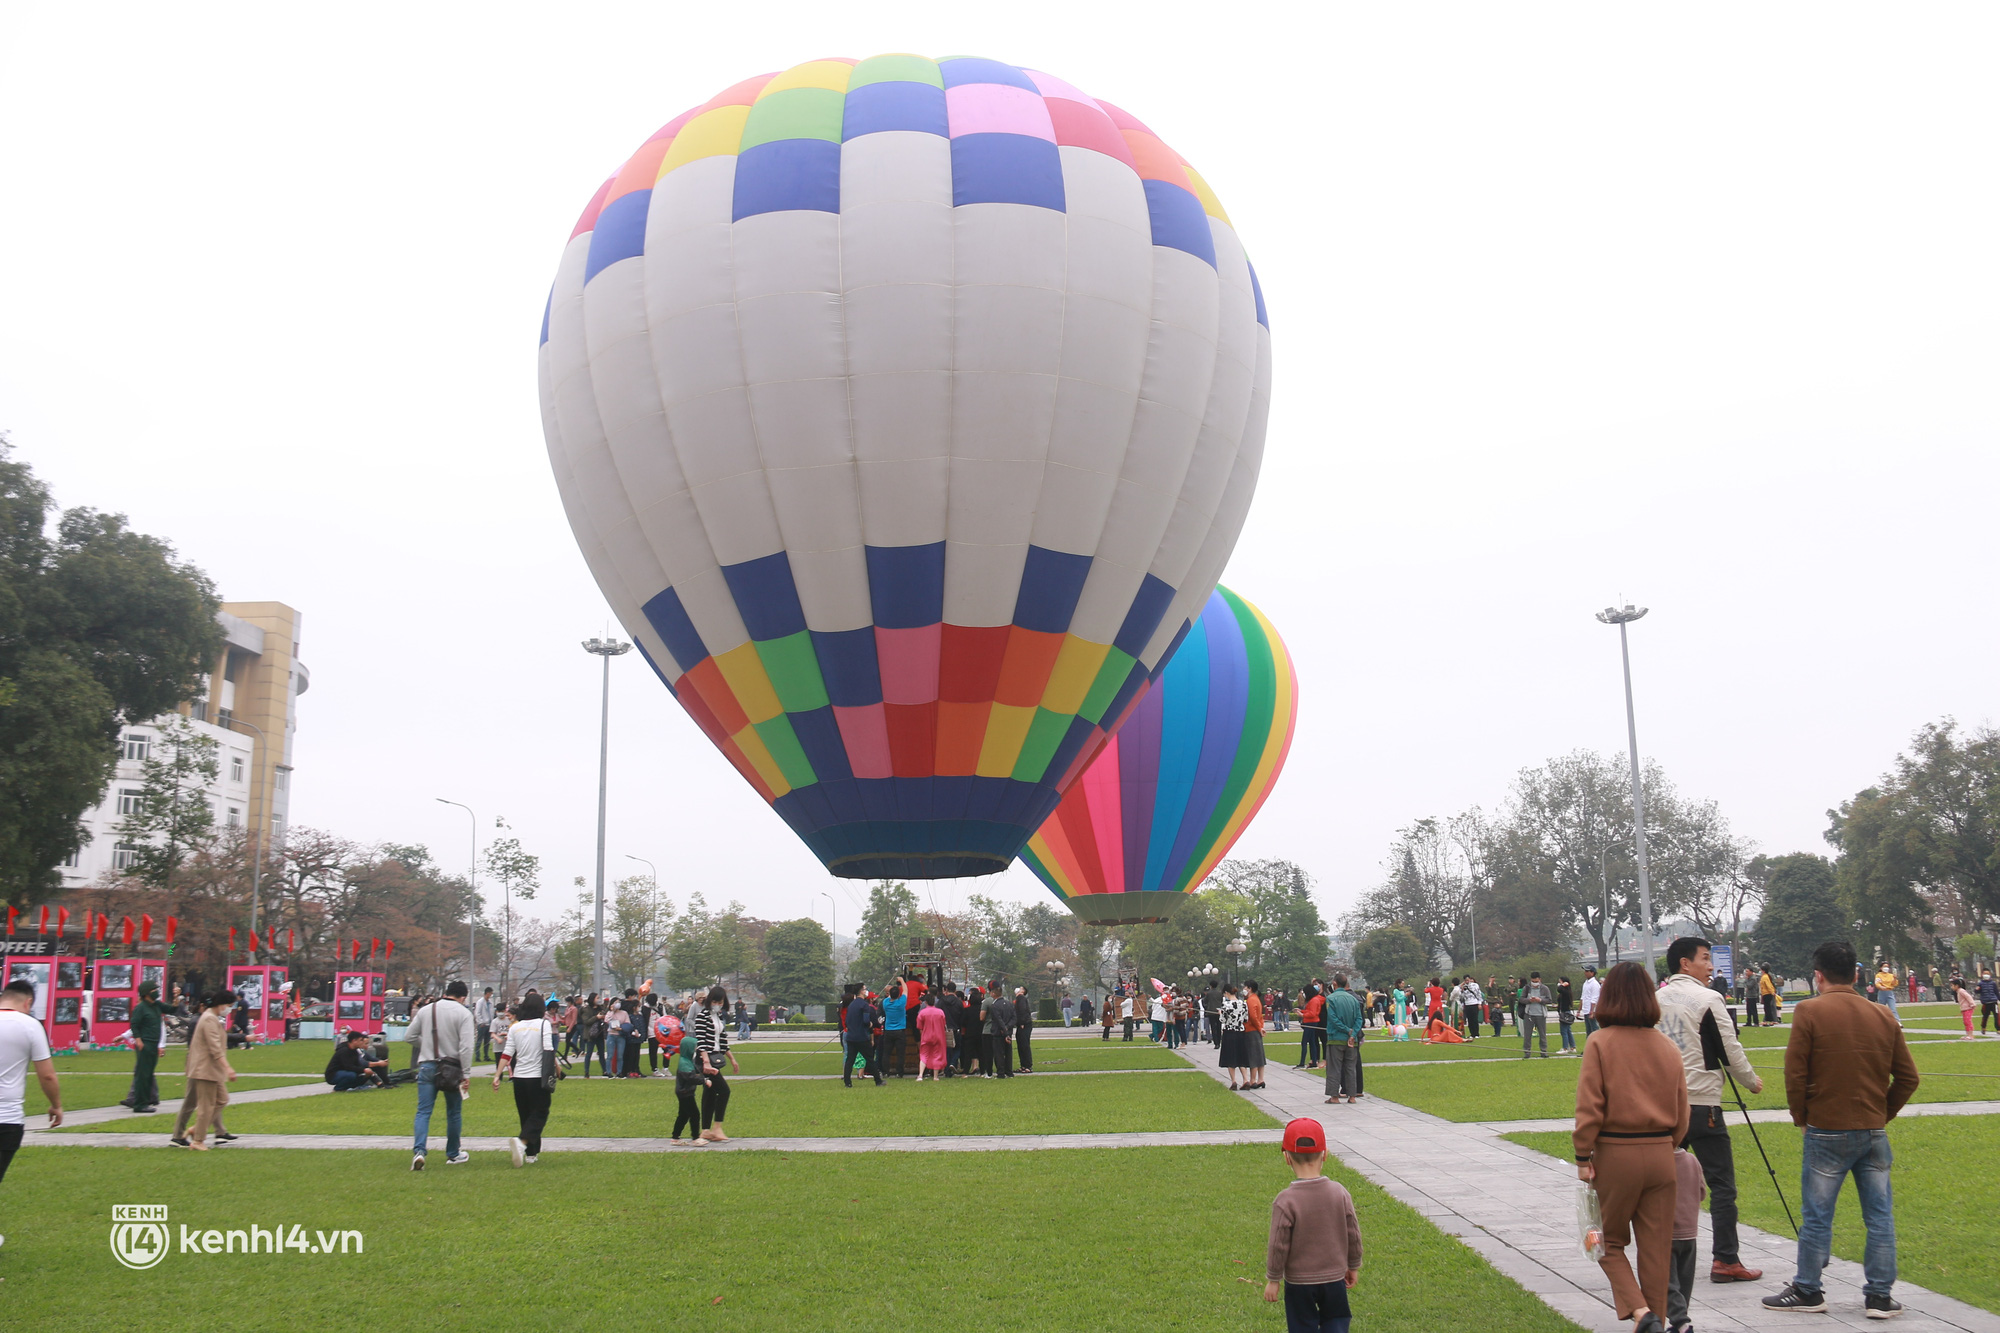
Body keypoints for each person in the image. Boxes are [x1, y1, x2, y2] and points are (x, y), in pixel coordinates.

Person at [1762, 940, 1920, 1318]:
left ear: (1818, 976)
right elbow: (1909, 1077)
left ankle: (1808, 1288)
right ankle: (1879, 1295)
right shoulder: (1882, 1015)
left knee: (1818, 1214)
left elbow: (1795, 1072)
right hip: (1873, 1130)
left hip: (1826, 1128)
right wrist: (1883, 1112)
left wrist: (1801, 1116)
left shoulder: (1810, 1011)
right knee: (1879, 1215)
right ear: (1857, 975)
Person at [1574, 961, 1689, 1333]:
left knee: (1607, 1241)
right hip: (1661, 1153)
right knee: (1656, 1250)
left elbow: (1590, 1107)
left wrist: (1582, 1156)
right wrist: (1667, 1143)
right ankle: (1656, 1320)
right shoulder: (1666, 1045)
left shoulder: (1600, 1043)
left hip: (1616, 1152)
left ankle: (1642, 1315)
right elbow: (1682, 1109)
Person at [1656, 936, 1765, 1284]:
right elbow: (1729, 1048)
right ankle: (1726, 1260)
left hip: (1662, 1107)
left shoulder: (1653, 1000)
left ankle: (1659, 1256)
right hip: (1702, 1105)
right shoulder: (1708, 998)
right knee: (1721, 1185)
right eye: (1705, 958)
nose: (1710, 966)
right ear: (1685, 964)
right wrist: (1750, 1081)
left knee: (1660, 1183)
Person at [1263, 1117, 1361, 1333]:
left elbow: (1278, 1244)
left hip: (1299, 1283)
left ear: (1287, 1158)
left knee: (1302, 1325)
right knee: (1336, 1320)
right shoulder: (1339, 1192)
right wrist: (1353, 1265)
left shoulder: (1285, 1200)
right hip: (1334, 1278)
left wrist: (1274, 1278)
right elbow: (1353, 1233)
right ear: (1325, 1154)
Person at [2, 977, 63, 1247]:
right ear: (28, 1002)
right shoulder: (30, 1025)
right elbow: (47, 1076)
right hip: (7, 1118)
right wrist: (56, 1104)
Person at [409, 982, 476, 1170]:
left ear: (446, 992)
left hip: (427, 1065)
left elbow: (409, 1036)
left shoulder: (426, 1010)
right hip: (452, 1067)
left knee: (423, 1111)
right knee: (453, 1112)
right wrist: (467, 1072)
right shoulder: (464, 1014)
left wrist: (427, 1046)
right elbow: (466, 1047)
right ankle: (453, 1153)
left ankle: (419, 1151)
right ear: (463, 996)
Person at [493, 994, 556, 1166]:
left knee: (526, 1115)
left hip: (519, 1078)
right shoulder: (544, 1024)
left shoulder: (515, 1027)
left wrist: (497, 1075)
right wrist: (557, 1068)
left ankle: (531, 1154)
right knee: (540, 1112)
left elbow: (507, 1053)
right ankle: (521, 1143)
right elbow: (548, 1051)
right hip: (537, 1077)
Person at [183, 990, 239, 1151]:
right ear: (220, 1004)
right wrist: (228, 1068)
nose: (229, 1009)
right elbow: (214, 1047)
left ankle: (197, 1129)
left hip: (212, 1070)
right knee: (206, 1106)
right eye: (228, 1006)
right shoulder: (208, 1019)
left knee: (222, 1099)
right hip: (205, 1069)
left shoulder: (212, 1018)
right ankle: (198, 1141)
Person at [1662, 1147, 1705, 1333]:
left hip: (1667, 1233)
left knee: (1667, 1281)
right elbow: (1702, 1192)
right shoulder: (1692, 1160)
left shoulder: (1659, 1162)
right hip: (1690, 1232)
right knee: (1685, 1279)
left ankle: (1681, 1322)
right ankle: (1678, 1322)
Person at [691, 985, 738, 1141]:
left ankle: (705, 1130)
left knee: (710, 1093)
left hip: (715, 1058)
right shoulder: (702, 1016)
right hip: (705, 1059)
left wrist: (732, 1059)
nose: (718, 1004)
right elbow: (701, 1040)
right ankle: (717, 1127)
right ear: (710, 1000)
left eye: (720, 1001)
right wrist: (705, 1062)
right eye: (716, 1001)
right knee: (724, 1091)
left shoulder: (718, 1017)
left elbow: (722, 1041)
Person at [120, 980, 165, 1113]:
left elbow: (159, 1028)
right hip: (144, 1046)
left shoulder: (152, 1009)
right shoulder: (143, 1009)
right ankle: (149, 1097)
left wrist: (160, 1045)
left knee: (143, 1071)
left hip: (148, 1045)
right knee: (145, 1071)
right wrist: (123, 1036)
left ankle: (136, 1098)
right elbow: (135, 1028)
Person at [1322, 976, 1364, 1105]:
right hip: (1352, 1041)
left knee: (1334, 1068)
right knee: (1351, 1068)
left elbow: (1333, 1019)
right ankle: (1352, 1096)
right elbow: (1359, 1019)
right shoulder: (1354, 999)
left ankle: (1334, 1096)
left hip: (1336, 1039)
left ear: (1335, 983)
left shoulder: (1330, 999)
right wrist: (1353, 1033)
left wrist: (1346, 1030)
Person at [669, 1034, 713, 1144]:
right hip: (685, 1093)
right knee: (695, 1114)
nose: (696, 1049)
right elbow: (690, 1077)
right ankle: (695, 1138)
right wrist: (704, 1081)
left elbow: (696, 1072)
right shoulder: (684, 1063)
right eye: (694, 1047)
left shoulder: (687, 1061)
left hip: (685, 1092)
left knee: (683, 1115)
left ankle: (675, 1137)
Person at [843, 987, 882, 1087]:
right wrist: (870, 1024)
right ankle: (878, 1080)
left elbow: (847, 1021)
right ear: (861, 991)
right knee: (869, 1059)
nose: (866, 991)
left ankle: (847, 1082)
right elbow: (865, 1020)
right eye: (864, 989)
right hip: (862, 1037)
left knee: (850, 1060)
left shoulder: (851, 1005)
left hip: (851, 1036)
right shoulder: (864, 1005)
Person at [983, 981, 1014, 1078]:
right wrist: (1008, 1028)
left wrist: (1004, 1030)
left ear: (993, 993)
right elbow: (1014, 1018)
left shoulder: (994, 1005)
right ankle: (1009, 1072)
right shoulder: (1009, 1004)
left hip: (998, 1032)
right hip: (1008, 1031)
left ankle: (1001, 1073)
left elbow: (998, 1020)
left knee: (999, 1053)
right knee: (1008, 1053)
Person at [1220, 983, 1249, 1090]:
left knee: (1230, 1057)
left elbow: (1222, 1020)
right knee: (1241, 1056)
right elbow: (1246, 1019)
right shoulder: (1243, 1004)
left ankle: (1234, 1081)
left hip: (1229, 1032)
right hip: (1240, 1032)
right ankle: (1246, 1079)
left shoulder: (1225, 1005)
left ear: (1226, 993)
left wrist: (1220, 1013)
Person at [916, 993, 948, 1081]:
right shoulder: (940, 1012)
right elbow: (944, 1024)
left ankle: (920, 1075)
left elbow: (919, 1026)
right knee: (937, 1055)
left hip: (926, 1036)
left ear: (925, 1002)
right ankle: (935, 1076)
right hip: (938, 1036)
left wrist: (922, 1034)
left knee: (923, 1055)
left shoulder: (922, 1013)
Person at [881, 981, 909, 1077]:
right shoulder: (901, 1003)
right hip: (900, 1031)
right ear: (899, 995)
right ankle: (899, 1072)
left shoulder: (885, 1003)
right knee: (900, 1053)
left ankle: (885, 1072)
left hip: (888, 1030)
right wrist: (901, 980)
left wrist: (891, 990)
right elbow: (905, 990)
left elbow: (890, 997)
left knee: (886, 1053)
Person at [1244, 981, 1268, 1089]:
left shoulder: (1250, 1000)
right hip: (1257, 1029)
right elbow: (1260, 1016)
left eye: (1245, 987)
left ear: (1249, 988)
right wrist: (1261, 1027)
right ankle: (1260, 1079)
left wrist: (1258, 1028)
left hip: (1251, 1030)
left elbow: (1253, 1016)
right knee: (1259, 1055)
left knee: (1253, 1056)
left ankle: (1253, 1079)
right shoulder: (1257, 999)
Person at [1296, 983, 1325, 1070]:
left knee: (1304, 1042)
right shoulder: (1315, 999)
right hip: (1313, 1022)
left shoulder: (1314, 1000)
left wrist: (1302, 1015)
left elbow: (1312, 1013)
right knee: (1312, 1042)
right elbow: (1311, 1011)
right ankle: (1314, 1060)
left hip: (1310, 1022)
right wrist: (1302, 1011)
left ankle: (1302, 1062)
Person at [1014, 987, 1034, 1073]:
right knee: (1021, 1045)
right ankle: (1023, 1065)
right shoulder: (1020, 998)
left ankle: (1027, 1066)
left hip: (1024, 1024)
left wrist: (1021, 1022)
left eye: (1021, 988)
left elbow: (1022, 1010)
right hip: (1023, 1024)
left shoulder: (1021, 998)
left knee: (1024, 1045)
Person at [1555, 976, 1577, 1055]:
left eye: (1560, 981)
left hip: (1565, 1013)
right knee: (1568, 1031)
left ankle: (1565, 1048)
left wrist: (1563, 984)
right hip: (1565, 1012)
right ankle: (1572, 1047)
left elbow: (1559, 989)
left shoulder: (1565, 991)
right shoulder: (1566, 992)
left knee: (1563, 1031)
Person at [474, 988, 495, 1062]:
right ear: (487, 993)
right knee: (479, 1041)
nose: (491, 995)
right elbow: (477, 1013)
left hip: (489, 1024)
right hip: (482, 1024)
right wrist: (481, 1022)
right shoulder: (480, 1002)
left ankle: (486, 1056)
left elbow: (492, 1013)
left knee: (487, 1041)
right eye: (491, 993)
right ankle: (477, 1056)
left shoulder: (490, 1002)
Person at [1953, 974, 1978, 1039]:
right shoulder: (1958, 991)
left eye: (1952, 985)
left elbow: (1968, 997)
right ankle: (1968, 1035)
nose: (1951, 987)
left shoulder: (1961, 991)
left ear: (1957, 986)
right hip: (1964, 1009)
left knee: (1968, 1021)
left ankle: (1971, 1035)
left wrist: (1972, 1004)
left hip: (1968, 1008)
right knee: (1965, 1022)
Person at [1461, 975, 1485, 1039]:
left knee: (1475, 1019)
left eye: (1468, 980)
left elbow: (1478, 994)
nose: (1467, 981)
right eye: (1465, 980)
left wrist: (1479, 1003)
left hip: (1474, 1003)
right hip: (1467, 1004)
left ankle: (1476, 1033)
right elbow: (1462, 997)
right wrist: (1462, 989)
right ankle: (1472, 1033)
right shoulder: (1463, 986)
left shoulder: (1475, 985)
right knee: (1470, 1020)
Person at [1977, 967, 1998, 1036]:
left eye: (1987, 973)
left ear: (1990, 974)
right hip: (1986, 1003)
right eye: (1985, 973)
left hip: (1994, 1002)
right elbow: (1977, 991)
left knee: (1997, 1016)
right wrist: (1977, 989)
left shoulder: (1993, 983)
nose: (1986, 975)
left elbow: (1996, 992)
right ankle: (1983, 1027)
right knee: (1985, 1016)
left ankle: (1998, 1029)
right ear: (1982, 974)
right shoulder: (1980, 983)